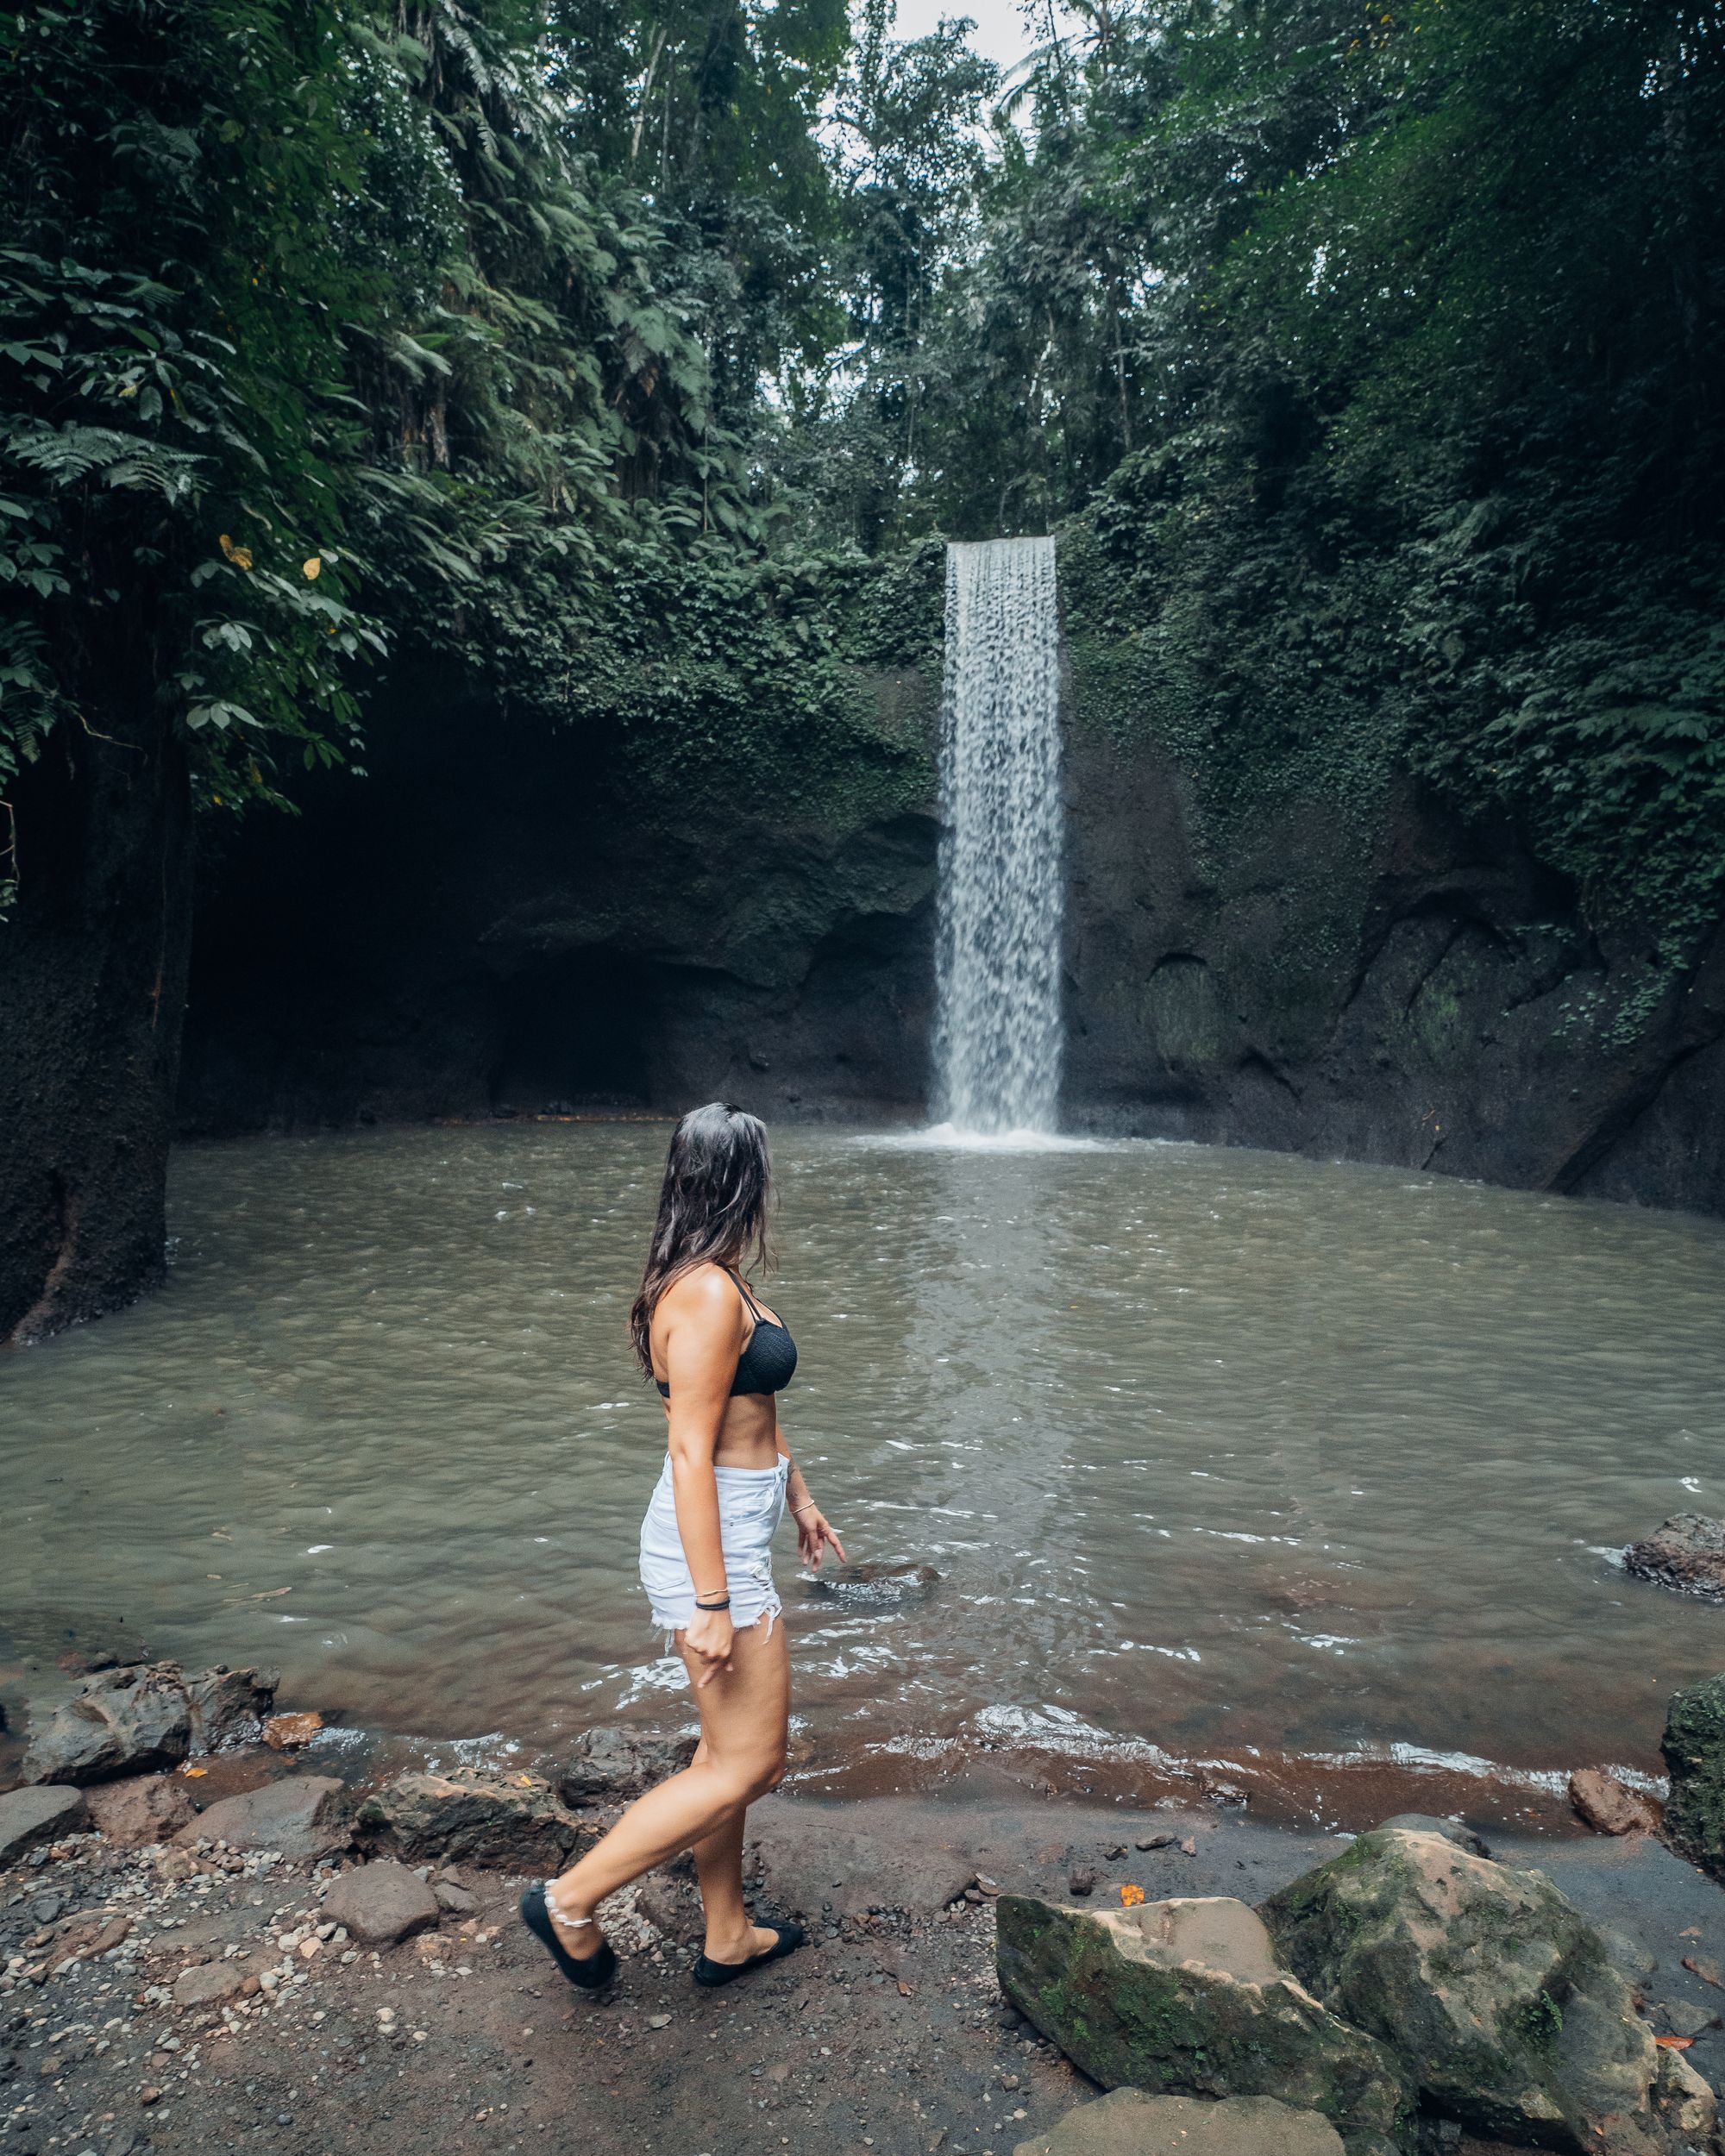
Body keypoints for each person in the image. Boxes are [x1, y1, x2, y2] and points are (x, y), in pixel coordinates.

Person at [520, 1102, 845, 1990]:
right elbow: (688, 1448)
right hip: (714, 1552)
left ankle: (727, 1929)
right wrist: (712, 1600)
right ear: (745, 1180)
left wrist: (799, 1493)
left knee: (719, 1755)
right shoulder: (704, 1293)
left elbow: (751, 1414)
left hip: (733, 1530)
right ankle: (570, 1901)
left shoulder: (709, 1275)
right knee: (752, 1761)